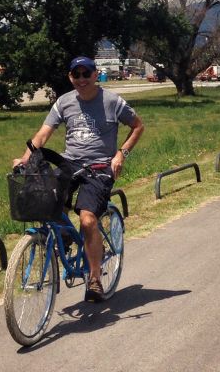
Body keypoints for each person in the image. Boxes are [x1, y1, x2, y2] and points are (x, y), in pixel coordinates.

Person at [13, 56, 144, 302]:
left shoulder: (112, 102)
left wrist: (120, 155)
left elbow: (138, 126)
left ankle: (94, 277)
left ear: (96, 75)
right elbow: (42, 135)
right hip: (69, 163)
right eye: (77, 75)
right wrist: (24, 159)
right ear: (70, 77)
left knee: (86, 219)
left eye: (86, 74)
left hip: (100, 167)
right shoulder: (64, 102)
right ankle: (63, 235)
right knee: (46, 201)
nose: (81, 79)